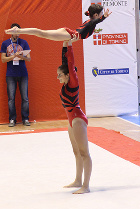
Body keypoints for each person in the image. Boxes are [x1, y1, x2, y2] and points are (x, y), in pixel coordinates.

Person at [57, 36, 92, 194]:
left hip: (78, 119)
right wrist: (65, 43)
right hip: (71, 120)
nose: (57, 77)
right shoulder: (65, 83)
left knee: (84, 153)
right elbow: (65, 62)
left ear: (66, 76)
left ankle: (86, 186)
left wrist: (70, 45)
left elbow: (70, 65)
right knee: (76, 152)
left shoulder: (73, 83)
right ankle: (78, 180)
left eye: (59, 75)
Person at [5, 4, 111, 41]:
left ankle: (18, 30)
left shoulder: (90, 22)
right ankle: (18, 30)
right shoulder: (91, 22)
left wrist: (68, 43)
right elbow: (95, 22)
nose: (102, 14)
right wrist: (104, 18)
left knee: (42, 34)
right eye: (101, 13)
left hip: (69, 35)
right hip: (69, 34)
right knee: (41, 33)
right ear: (96, 15)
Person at [0, 23, 31, 127]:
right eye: (15, 32)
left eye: (18, 32)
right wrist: (13, 56)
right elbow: (3, 59)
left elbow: (29, 58)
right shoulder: (5, 44)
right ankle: (12, 119)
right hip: (10, 74)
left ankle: (25, 119)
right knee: (11, 98)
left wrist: (21, 56)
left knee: (25, 98)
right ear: (11, 32)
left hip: (23, 73)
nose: (17, 34)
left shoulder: (24, 42)